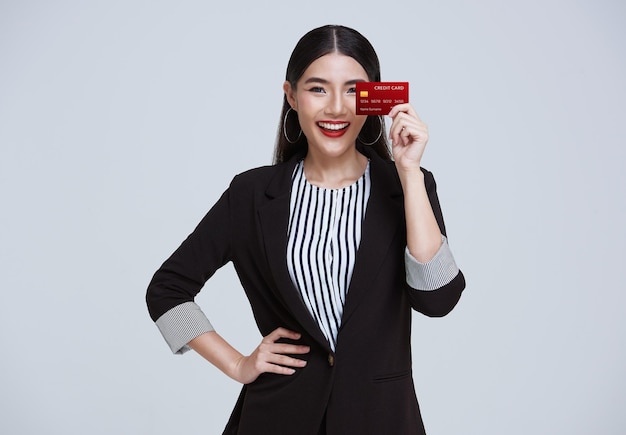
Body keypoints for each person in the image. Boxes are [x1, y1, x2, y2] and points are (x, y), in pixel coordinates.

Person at [146, 24, 466, 435]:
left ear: (374, 99)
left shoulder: (407, 186)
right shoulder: (251, 194)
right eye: (318, 89)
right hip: (276, 417)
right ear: (291, 96)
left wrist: (408, 172)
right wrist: (238, 364)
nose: (336, 108)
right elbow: (166, 290)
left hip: (381, 419)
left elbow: (438, 300)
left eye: (353, 90)